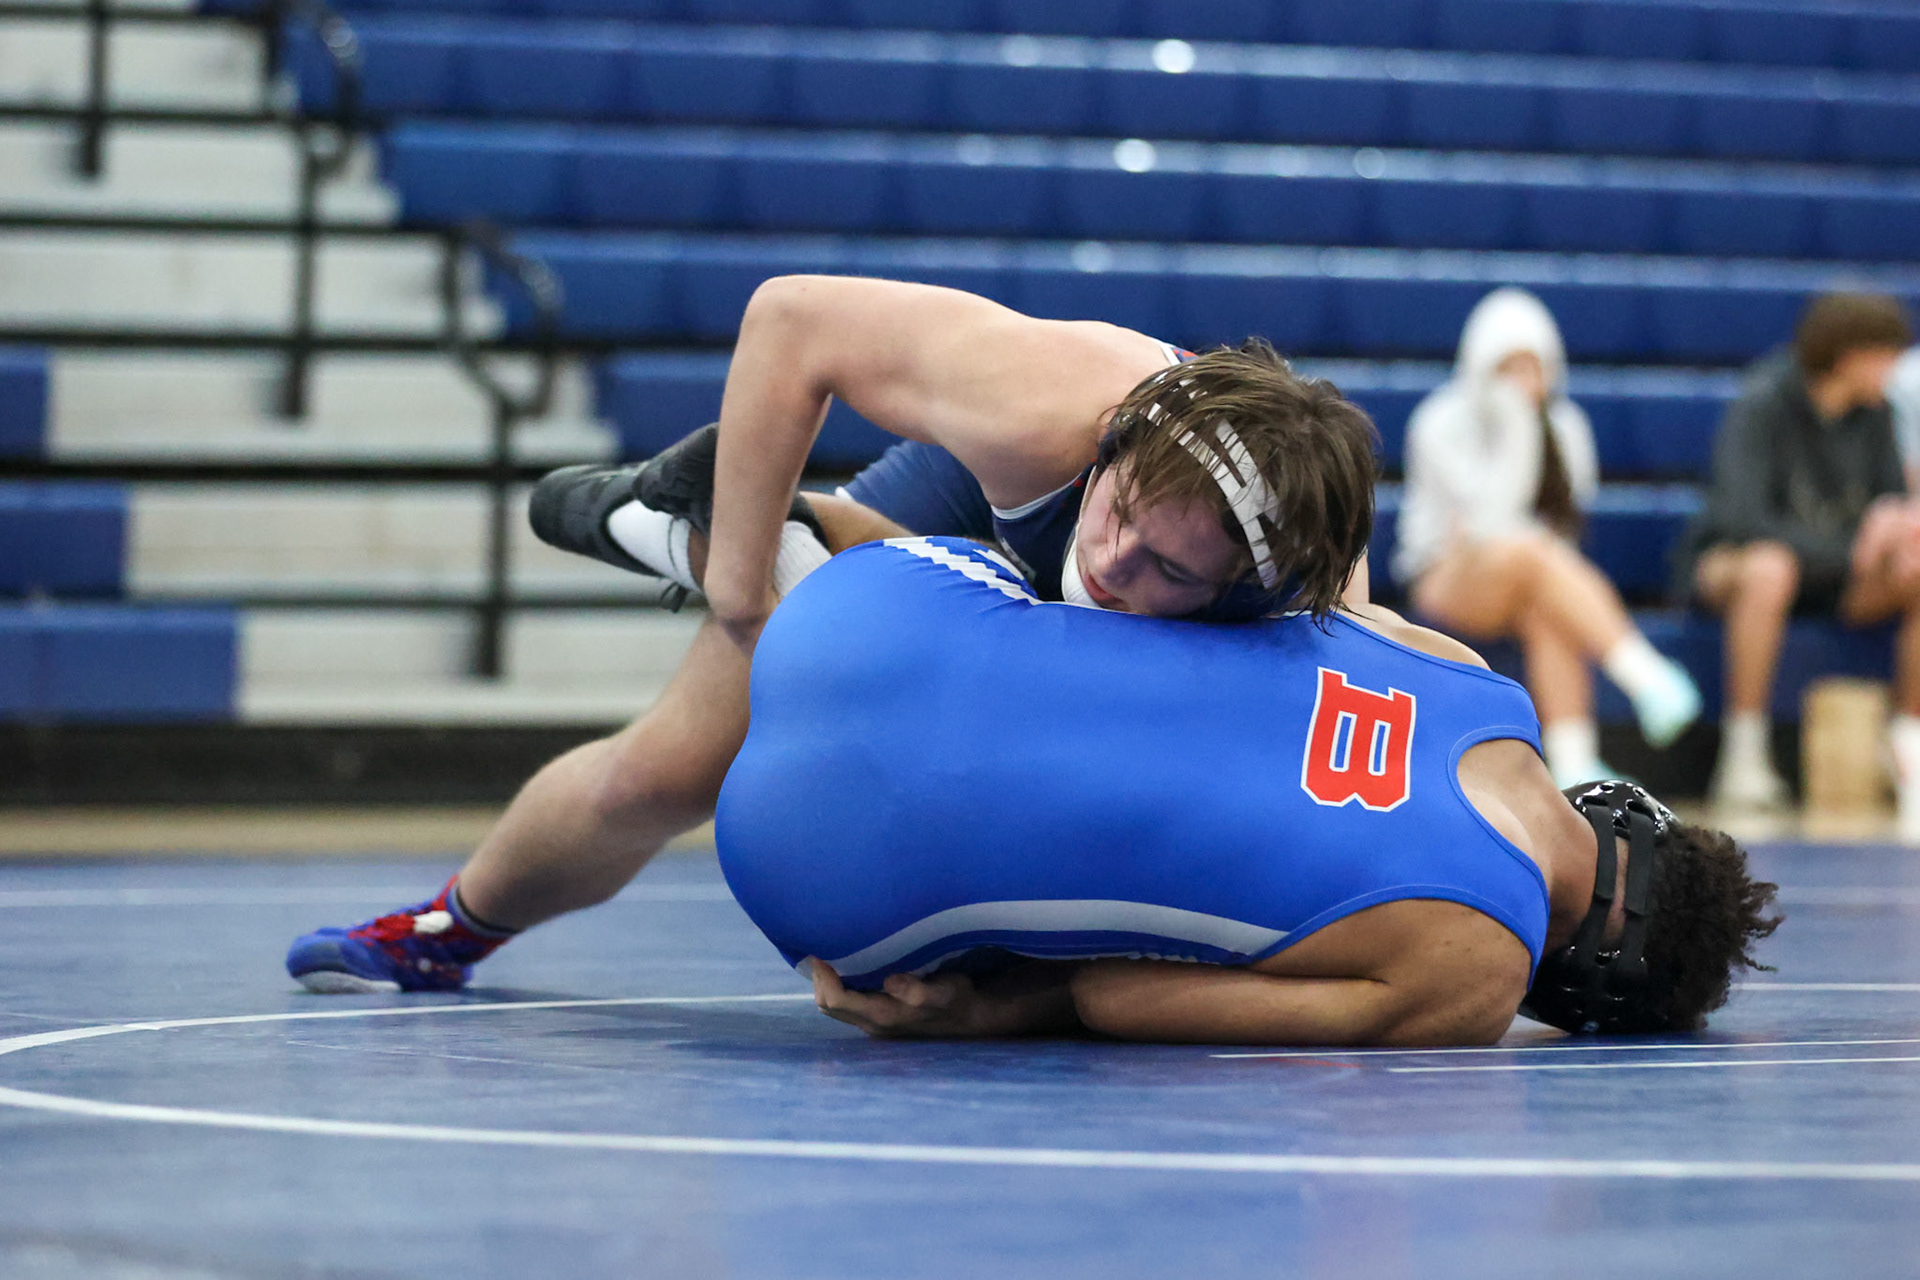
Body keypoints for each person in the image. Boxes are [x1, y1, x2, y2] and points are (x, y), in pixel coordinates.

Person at [286, 275, 1379, 992]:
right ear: (1120, 447)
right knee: (662, 772)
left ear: (1250, 578)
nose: (1114, 560)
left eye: (1170, 567)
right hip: (974, 503)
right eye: (1123, 514)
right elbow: (790, 318)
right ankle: (450, 924)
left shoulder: (1312, 608)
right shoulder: (1058, 405)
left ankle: (816, 542)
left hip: (1107, 636)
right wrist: (741, 595)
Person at [718, 535, 1781, 1045]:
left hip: (865, 601)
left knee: (1056, 593)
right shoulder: (1477, 973)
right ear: (1594, 986)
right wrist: (971, 1017)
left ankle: (774, 540)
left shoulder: (1475, 678)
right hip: (808, 868)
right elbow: (1115, 997)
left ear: (1630, 810)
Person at [1396, 287, 1700, 789]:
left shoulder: (1568, 425)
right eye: (1506, 368)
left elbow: (1564, 528)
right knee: (1531, 555)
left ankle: (1575, 765)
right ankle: (1644, 674)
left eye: (1530, 367)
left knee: (1546, 603)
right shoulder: (1439, 421)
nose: (1520, 383)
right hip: (1445, 576)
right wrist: (1518, 424)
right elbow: (1488, 525)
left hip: (1530, 572)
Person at [1676, 293, 1916, 816]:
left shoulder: (1876, 416)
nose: (1894, 369)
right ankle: (1744, 752)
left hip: (1833, 577)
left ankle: (1909, 745)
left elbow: (1891, 506)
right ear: (1850, 356)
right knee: (1769, 568)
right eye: (1886, 355)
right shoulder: (1764, 401)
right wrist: (1852, 548)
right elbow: (1742, 519)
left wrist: (1896, 530)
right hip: (1733, 564)